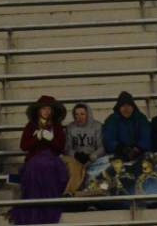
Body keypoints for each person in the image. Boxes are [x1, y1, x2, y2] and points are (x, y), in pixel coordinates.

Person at [9, 94, 68, 225]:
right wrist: (37, 137)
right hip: (34, 160)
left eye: (49, 109)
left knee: (50, 170)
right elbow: (24, 146)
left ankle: (48, 209)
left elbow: (61, 148)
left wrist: (51, 139)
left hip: (52, 160)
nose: (46, 111)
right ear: (38, 110)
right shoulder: (31, 126)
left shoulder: (57, 127)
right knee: (36, 168)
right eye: (43, 109)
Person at [62, 101, 104, 195]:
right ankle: (69, 193)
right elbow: (67, 148)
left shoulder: (97, 126)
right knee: (73, 166)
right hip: (76, 158)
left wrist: (92, 156)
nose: (79, 117)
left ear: (88, 114)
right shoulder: (70, 127)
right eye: (76, 114)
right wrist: (76, 155)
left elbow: (102, 147)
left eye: (82, 114)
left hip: (94, 158)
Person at [102, 90, 151, 160]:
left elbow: (146, 136)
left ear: (133, 107)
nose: (126, 109)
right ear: (119, 108)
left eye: (128, 106)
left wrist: (138, 148)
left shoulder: (141, 118)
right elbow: (108, 139)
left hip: (139, 154)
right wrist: (121, 148)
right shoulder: (112, 120)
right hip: (117, 155)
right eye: (123, 106)